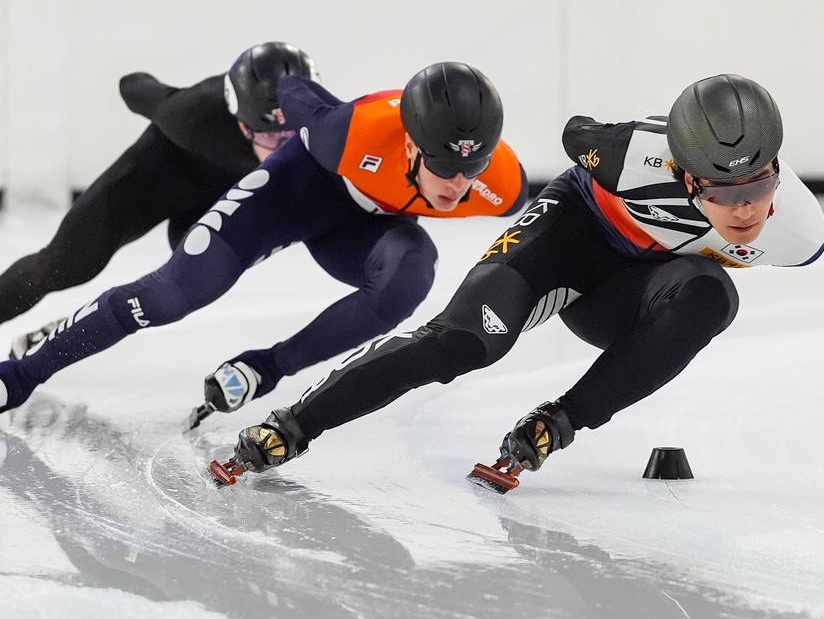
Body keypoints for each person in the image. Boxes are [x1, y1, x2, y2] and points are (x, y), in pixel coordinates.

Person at [220, 74, 824, 488]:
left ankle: (558, 421)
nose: (746, 210)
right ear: (687, 176)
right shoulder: (635, 158)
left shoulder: (797, 232)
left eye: (758, 187)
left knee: (711, 293)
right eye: (724, 191)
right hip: (570, 240)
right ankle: (294, 425)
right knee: (464, 340)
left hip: (630, 300)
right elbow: (576, 133)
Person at [0, 62, 528, 417]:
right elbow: (296, 95)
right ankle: (20, 375)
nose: (458, 185)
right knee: (169, 296)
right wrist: (285, 76)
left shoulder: (501, 186)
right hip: (295, 191)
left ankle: (264, 367)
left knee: (411, 276)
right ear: (411, 145)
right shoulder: (351, 130)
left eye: (472, 167)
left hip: (365, 226)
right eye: (442, 166)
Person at [0, 41, 319, 358]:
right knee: (63, 265)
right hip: (152, 181)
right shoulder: (193, 113)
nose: (281, 148)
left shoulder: (324, 123)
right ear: (240, 121)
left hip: (217, 197)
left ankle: (68, 332)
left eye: (292, 134)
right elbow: (133, 85)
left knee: (188, 284)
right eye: (268, 136)